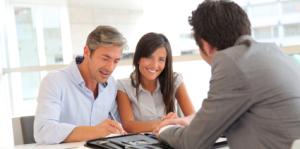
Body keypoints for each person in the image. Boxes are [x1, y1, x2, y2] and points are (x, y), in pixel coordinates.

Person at [155, 1, 300, 149]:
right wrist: (193, 121)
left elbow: (191, 142)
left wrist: (164, 130)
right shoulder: (277, 54)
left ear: (206, 46)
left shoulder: (232, 62)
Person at [34, 25, 127, 144]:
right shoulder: (54, 81)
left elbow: (116, 127)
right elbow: (43, 131)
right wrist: (96, 131)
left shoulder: (111, 84)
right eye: (105, 58)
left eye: (116, 61)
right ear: (87, 51)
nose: (110, 67)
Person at [117, 32, 195, 133]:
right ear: (138, 58)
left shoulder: (175, 80)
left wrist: (178, 121)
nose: (155, 65)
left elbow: (193, 117)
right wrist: (165, 123)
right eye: (149, 57)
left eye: (161, 60)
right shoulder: (123, 87)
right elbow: (129, 126)